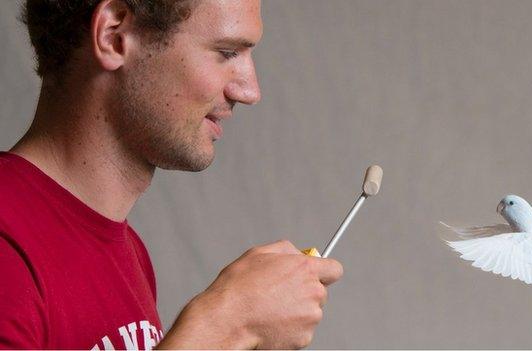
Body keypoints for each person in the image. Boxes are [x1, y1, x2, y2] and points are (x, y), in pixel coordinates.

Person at [0, 0, 344, 349]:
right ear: (114, 36)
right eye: (226, 52)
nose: (249, 91)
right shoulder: (7, 248)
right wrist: (226, 325)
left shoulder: (130, 253)